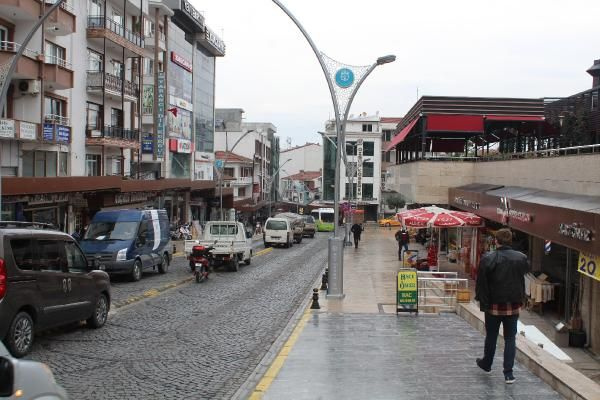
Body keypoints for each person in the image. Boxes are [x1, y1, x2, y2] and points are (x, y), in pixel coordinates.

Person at [475, 228, 529, 385]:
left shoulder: (488, 258)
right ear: (510, 241)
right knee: (510, 338)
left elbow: (481, 284)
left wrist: (482, 302)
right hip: (513, 304)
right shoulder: (522, 258)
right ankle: (508, 374)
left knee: (491, 335)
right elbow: (523, 275)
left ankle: (487, 364)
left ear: (496, 241)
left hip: (493, 305)